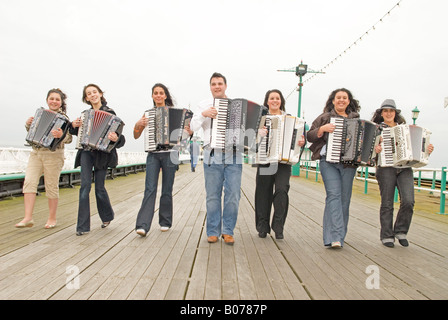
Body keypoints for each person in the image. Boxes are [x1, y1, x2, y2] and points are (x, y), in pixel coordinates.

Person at [372, 99, 434, 247]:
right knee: (387, 203)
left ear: (395, 113)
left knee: (408, 201)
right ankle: (387, 235)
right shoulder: (376, 129)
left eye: (391, 111)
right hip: (385, 167)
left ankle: (400, 231)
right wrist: (376, 148)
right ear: (381, 113)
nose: (388, 113)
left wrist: (428, 150)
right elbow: (369, 150)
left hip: (405, 168)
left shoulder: (405, 128)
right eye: (385, 111)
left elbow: (418, 149)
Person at [190, 72, 242, 245]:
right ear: (210, 87)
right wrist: (204, 114)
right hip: (212, 153)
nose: (217, 86)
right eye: (214, 84)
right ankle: (213, 231)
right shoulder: (203, 105)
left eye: (220, 83)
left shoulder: (237, 106)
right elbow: (192, 127)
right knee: (213, 195)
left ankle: (228, 231)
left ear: (225, 86)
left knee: (233, 194)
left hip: (233, 154)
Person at [134, 83, 192, 237]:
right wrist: (137, 125)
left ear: (165, 95)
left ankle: (165, 221)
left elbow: (185, 137)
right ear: (152, 96)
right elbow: (136, 134)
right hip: (153, 154)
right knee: (150, 188)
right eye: (155, 93)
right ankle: (142, 225)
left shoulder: (177, 113)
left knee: (167, 189)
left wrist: (187, 132)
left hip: (170, 154)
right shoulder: (147, 114)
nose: (158, 95)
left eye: (161, 93)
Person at [307, 88, 361, 248]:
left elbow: (362, 141)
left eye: (345, 98)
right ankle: (335, 236)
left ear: (349, 101)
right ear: (333, 100)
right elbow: (309, 135)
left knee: (344, 199)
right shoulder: (324, 117)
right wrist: (322, 130)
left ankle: (338, 236)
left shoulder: (356, 120)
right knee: (333, 195)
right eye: (338, 98)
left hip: (348, 164)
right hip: (327, 162)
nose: (341, 100)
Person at [70, 84, 125, 236]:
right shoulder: (84, 114)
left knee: (99, 188)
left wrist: (115, 138)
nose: (92, 95)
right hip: (87, 152)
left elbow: (119, 138)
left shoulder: (110, 113)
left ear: (100, 94)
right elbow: (77, 132)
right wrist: (73, 126)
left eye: (95, 92)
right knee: (85, 187)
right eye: (89, 93)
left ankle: (107, 216)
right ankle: (82, 226)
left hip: (103, 154)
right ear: (86, 98)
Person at [16, 88, 72, 229]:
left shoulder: (64, 119)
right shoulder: (40, 114)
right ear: (47, 100)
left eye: (57, 99)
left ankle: (52, 218)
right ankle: (28, 217)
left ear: (61, 102)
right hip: (36, 152)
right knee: (29, 182)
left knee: (51, 186)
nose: (54, 101)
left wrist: (61, 136)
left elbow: (69, 138)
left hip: (53, 155)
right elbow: (33, 133)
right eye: (51, 98)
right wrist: (28, 125)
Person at [254, 89, 305, 239]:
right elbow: (251, 141)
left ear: (281, 101)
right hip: (265, 160)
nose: (275, 101)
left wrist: (301, 142)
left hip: (283, 162)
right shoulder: (261, 119)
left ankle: (278, 225)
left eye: (277, 98)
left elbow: (298, 140)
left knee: (282, 190)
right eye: (272, 98)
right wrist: (258, 134)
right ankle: (263, 226)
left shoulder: (290, 119)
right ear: (267, 101)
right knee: (263, 193)